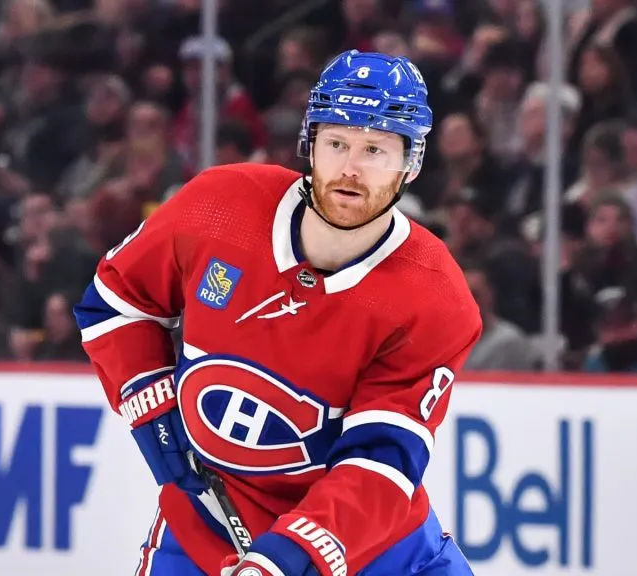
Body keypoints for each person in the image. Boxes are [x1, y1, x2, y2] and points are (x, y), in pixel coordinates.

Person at [74, 50, 482, 576]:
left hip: (372, 551)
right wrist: (155, 415)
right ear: (310, 145)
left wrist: (288, 557)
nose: (350, 168)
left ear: (411, 161)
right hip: (204, 522)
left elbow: (380, 461)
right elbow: (116, 297)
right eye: (336, 143)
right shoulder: (219, 206)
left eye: (376, 150)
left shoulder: (434, 298)